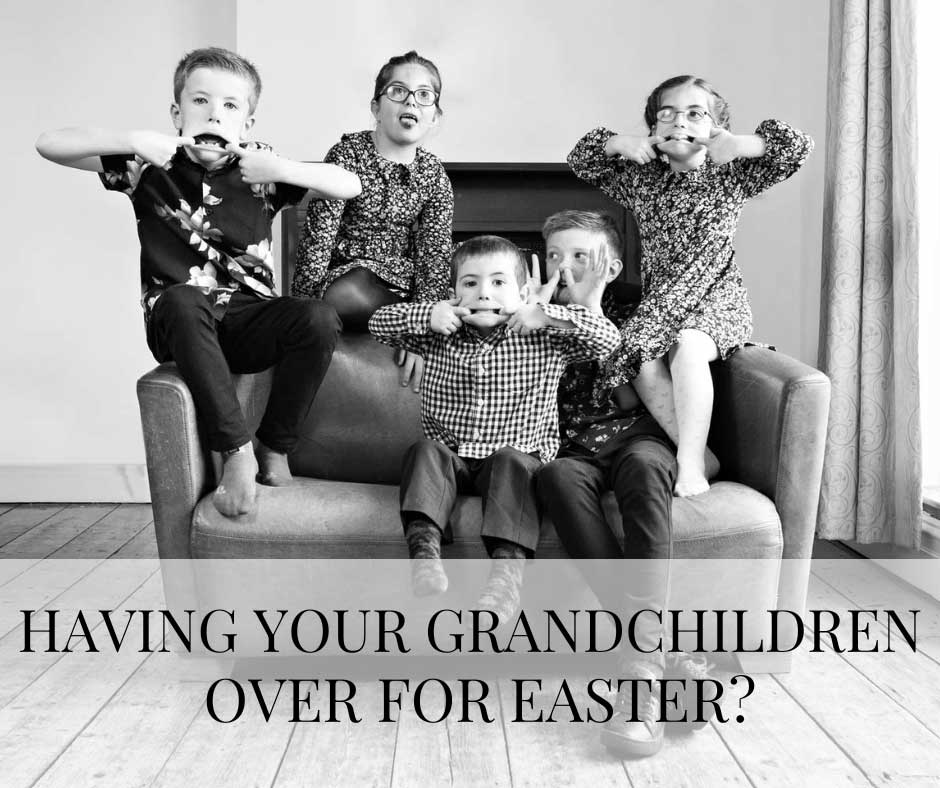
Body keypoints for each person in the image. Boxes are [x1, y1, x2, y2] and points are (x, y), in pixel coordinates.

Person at [35, 47, 361, 518]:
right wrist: (133, 139)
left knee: (318, 317)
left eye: (231, 106)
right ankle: (236, 452)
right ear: (177, 113)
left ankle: (274, 447)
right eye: (201, 101)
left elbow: (350, 184)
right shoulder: (147, 162)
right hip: (180, 319)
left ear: (246, 124)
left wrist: (282, 170)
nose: (214, 114)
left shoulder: (261, 167)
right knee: (183, 300)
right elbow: (49, 143)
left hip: (249, 319)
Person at [568, 75, 813, 497]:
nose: (679, 121)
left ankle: (691, 465)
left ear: (715, 126)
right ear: (653, 129)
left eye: (695, 113)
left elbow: (797, 146)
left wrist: (741, 144)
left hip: (716, 295)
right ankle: (694, 448)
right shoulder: (640, 178)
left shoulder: (731, 174)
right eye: (667, 114)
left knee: (687, 349)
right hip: (663, 301)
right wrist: (619, 143)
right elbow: (581, 158)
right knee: (633, 350)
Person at [533, 210, 715, 758]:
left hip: (639, 439)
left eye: (580, 257)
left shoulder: (641, 309)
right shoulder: (534, 316)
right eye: (555, 256)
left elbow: (643, 393)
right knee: (557, 477)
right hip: (575, 449)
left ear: (610, 265)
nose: (564, 269)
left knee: (641, 468)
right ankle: (663, 656)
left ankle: (638, 682)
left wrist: (590, 315)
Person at [368, 235, 619, 620]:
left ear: (520, 293)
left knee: (511, 462)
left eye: (498, 283)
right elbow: (377, 323)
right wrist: (427, 315)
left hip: (514, 456)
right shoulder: (438, 334)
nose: (484, 293)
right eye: (470, 283)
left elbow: (607, 340)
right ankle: (424, 554)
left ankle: (506, 578)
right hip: (452, 457)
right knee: (423, 452)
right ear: (454, 293)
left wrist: (548, 314)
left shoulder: (543, 337)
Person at [291, 51, 453, 339]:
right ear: (376, 108)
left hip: (402, 281)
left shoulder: (433, 173)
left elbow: (434, 253)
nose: (411, 100)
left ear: (434, 117)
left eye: (424, 94)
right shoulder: (348, 154)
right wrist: (302, 309)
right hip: (350, 278)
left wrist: (426, 318)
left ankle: (422, 319)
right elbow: (318, 238)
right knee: (344, 295)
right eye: (398, 91)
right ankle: (414, 321)